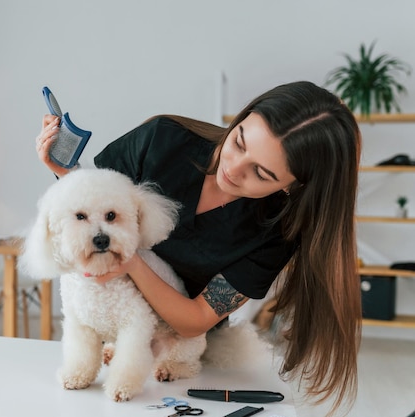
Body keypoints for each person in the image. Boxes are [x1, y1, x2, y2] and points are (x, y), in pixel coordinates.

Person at [35, 81, 361, 415]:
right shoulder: (162, 140)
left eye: (260, 173)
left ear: (293, 185)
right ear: (242, 117)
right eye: (238, 142)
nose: (232, 169)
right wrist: (63, 171)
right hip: (110, 328)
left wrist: (131, 264)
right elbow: (99, 205)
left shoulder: (278, 230)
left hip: (180, 349)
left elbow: (195, 321)